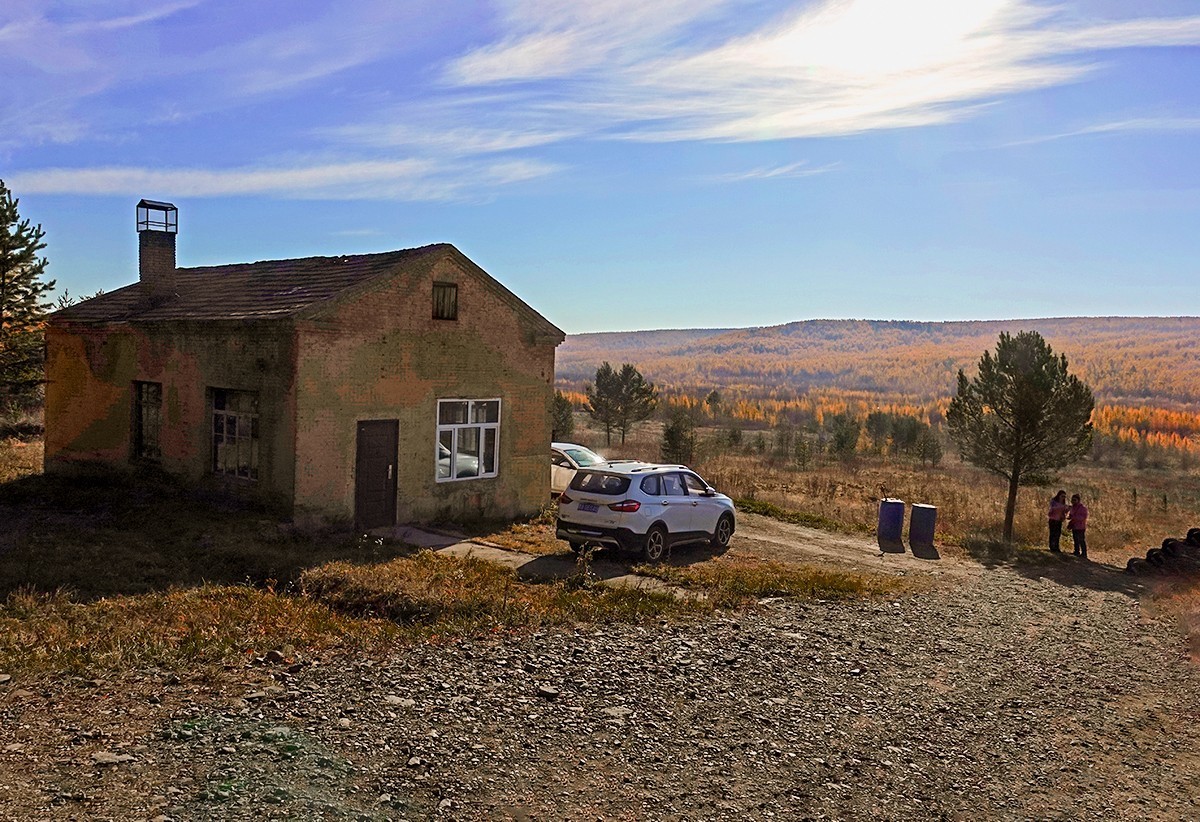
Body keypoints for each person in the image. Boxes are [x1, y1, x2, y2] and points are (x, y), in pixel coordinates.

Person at [1068, 493, 1089, 559]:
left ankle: (1084, 553)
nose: (1073, 501)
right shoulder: (1072, 508)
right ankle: (1076, 551)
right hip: (1074, 526)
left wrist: (1074, 518)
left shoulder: (1083, 508)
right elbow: (1071, 515)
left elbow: (1083, 517)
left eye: (1074, 500)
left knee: (1081, 540)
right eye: (1072, 500)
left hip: (1080, 527)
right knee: (1075, 539)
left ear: (1078, 500)